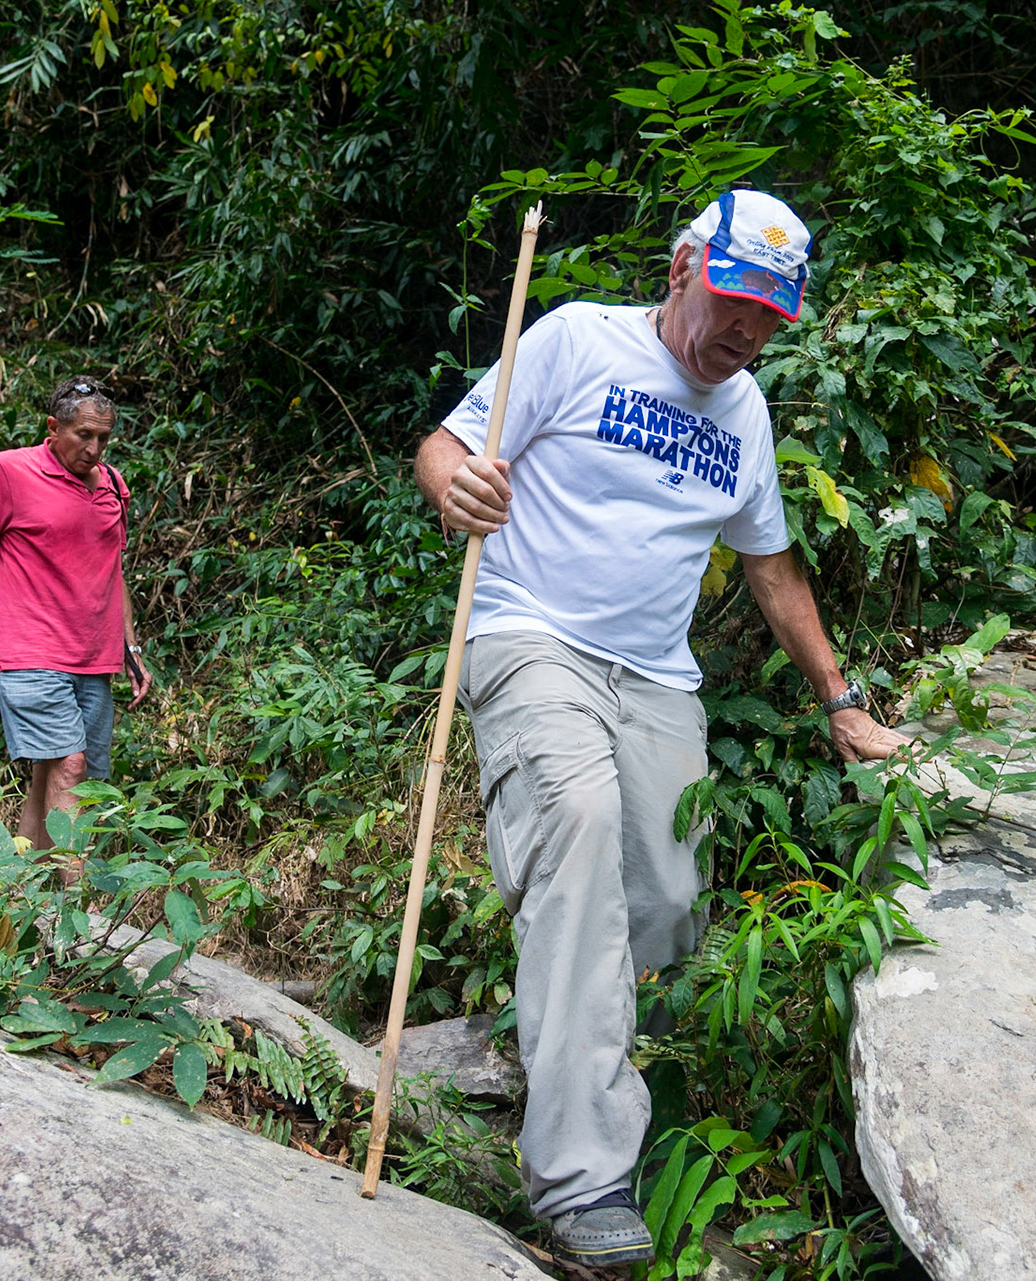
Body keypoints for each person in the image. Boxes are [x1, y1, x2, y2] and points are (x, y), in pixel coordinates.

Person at [414, 190, 912, 1269]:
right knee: (580, 837)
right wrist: (460, 492)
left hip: (654, 680)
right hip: (528, 637)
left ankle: (555, 1042)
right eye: (735, 304)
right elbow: (442, 450)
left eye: (772, 320)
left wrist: (841, 702)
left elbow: (772, 566)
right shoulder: (574, 340)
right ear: (684, 266)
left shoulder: (747, 414)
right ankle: (583, 1179)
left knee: (668, 898)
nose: (747, 335)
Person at [0, 377, 152, 875]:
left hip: (95, 659)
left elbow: (112, 572)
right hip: (29, 651)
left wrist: (131, 650)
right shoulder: (9, 471)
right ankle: (74, 922)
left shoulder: (114, 485)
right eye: (84, 435)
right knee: (72, 769)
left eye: (104, 439)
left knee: (59, 775)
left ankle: (15, 900)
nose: (94, 449)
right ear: (53, 428)